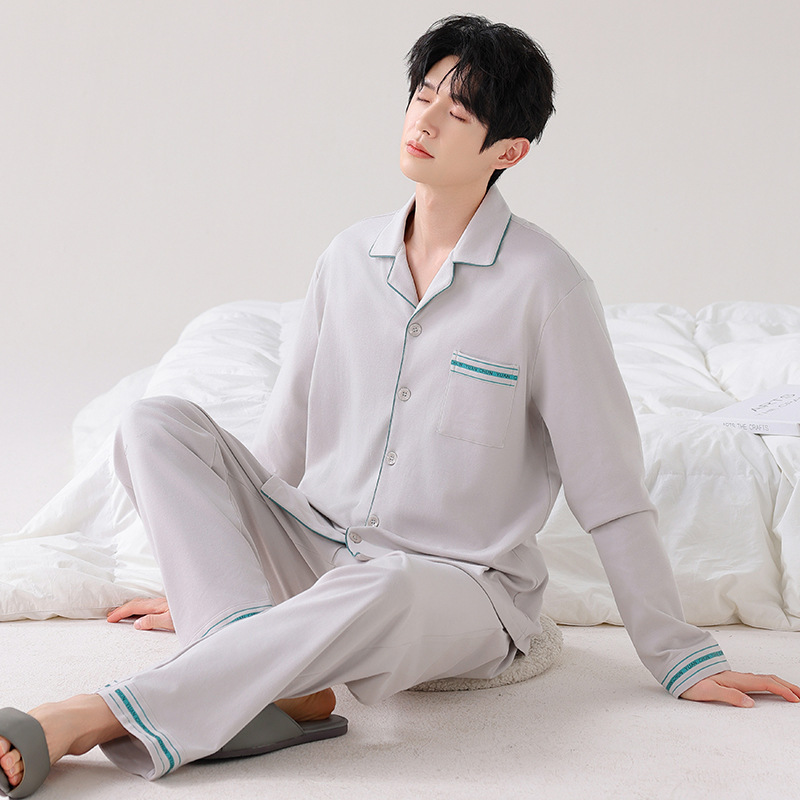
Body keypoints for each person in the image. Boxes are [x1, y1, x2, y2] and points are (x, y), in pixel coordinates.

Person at [2, 14, 798, 798]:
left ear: (508, 151)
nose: (426, 121)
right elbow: (284, 435)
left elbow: (610, 489)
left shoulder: (548, 286)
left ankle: (87, 715)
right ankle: (252, 662)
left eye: (459, 113)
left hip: (456, 588)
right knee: (154, 421)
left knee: (385, 583)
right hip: (320, 544)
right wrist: (213, 573)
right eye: (423, 96)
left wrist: (679, 655)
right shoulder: (347, 257)